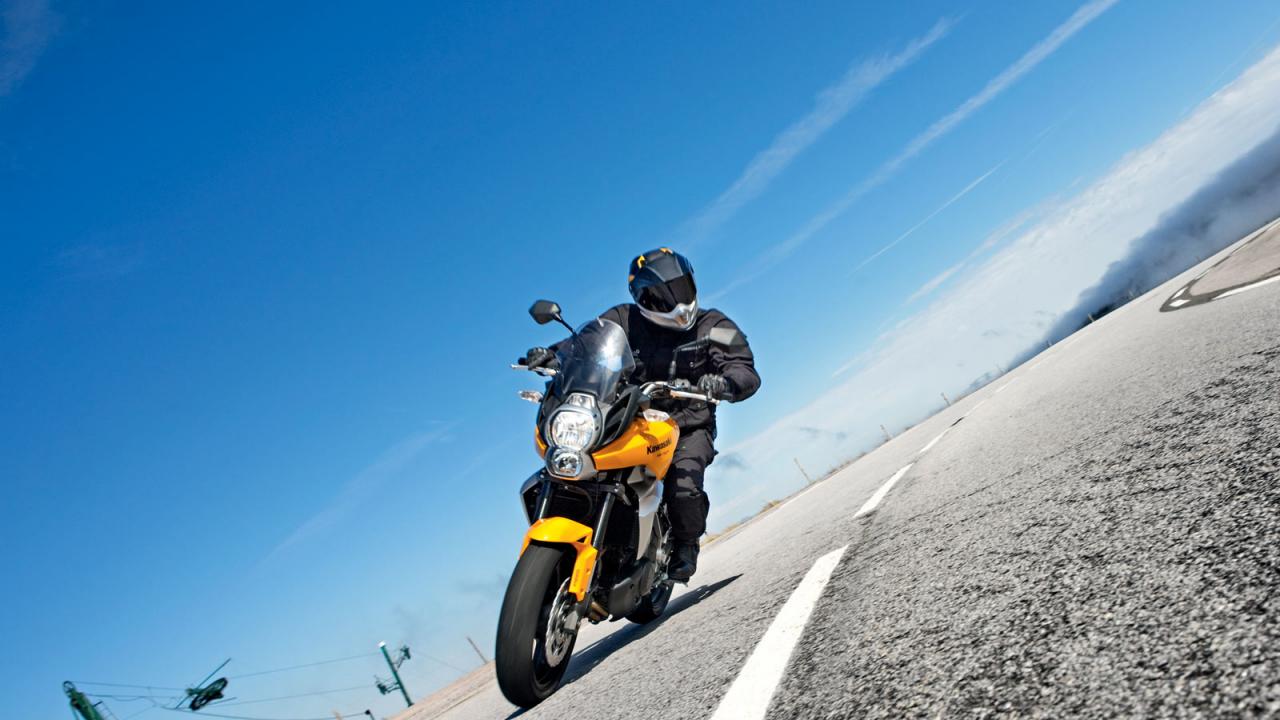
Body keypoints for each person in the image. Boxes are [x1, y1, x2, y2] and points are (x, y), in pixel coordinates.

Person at [523, 248, 760, 582]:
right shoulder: (623, 319)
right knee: (573, 466)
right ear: (642, 298)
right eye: (662, 296)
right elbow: (583, 344)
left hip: (687, 425)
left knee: (683, 486)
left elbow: (744, 368)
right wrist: (549, 354)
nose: (676, 303)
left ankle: (686, 544)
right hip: (629, 419)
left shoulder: (715, 326)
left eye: (680, 288)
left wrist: (725, 383)